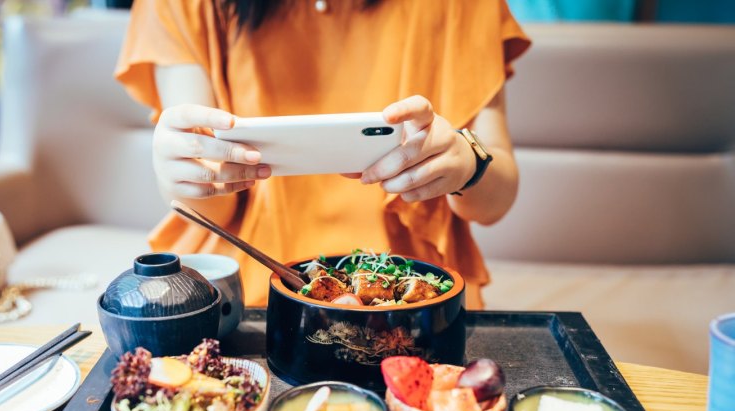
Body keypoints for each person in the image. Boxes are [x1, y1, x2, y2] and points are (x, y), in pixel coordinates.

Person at [115, 0, 530, 307]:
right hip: (252, 290)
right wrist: (183, 171)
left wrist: (468, 165)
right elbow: (213, 206)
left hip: (417, 293)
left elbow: (494, 202)